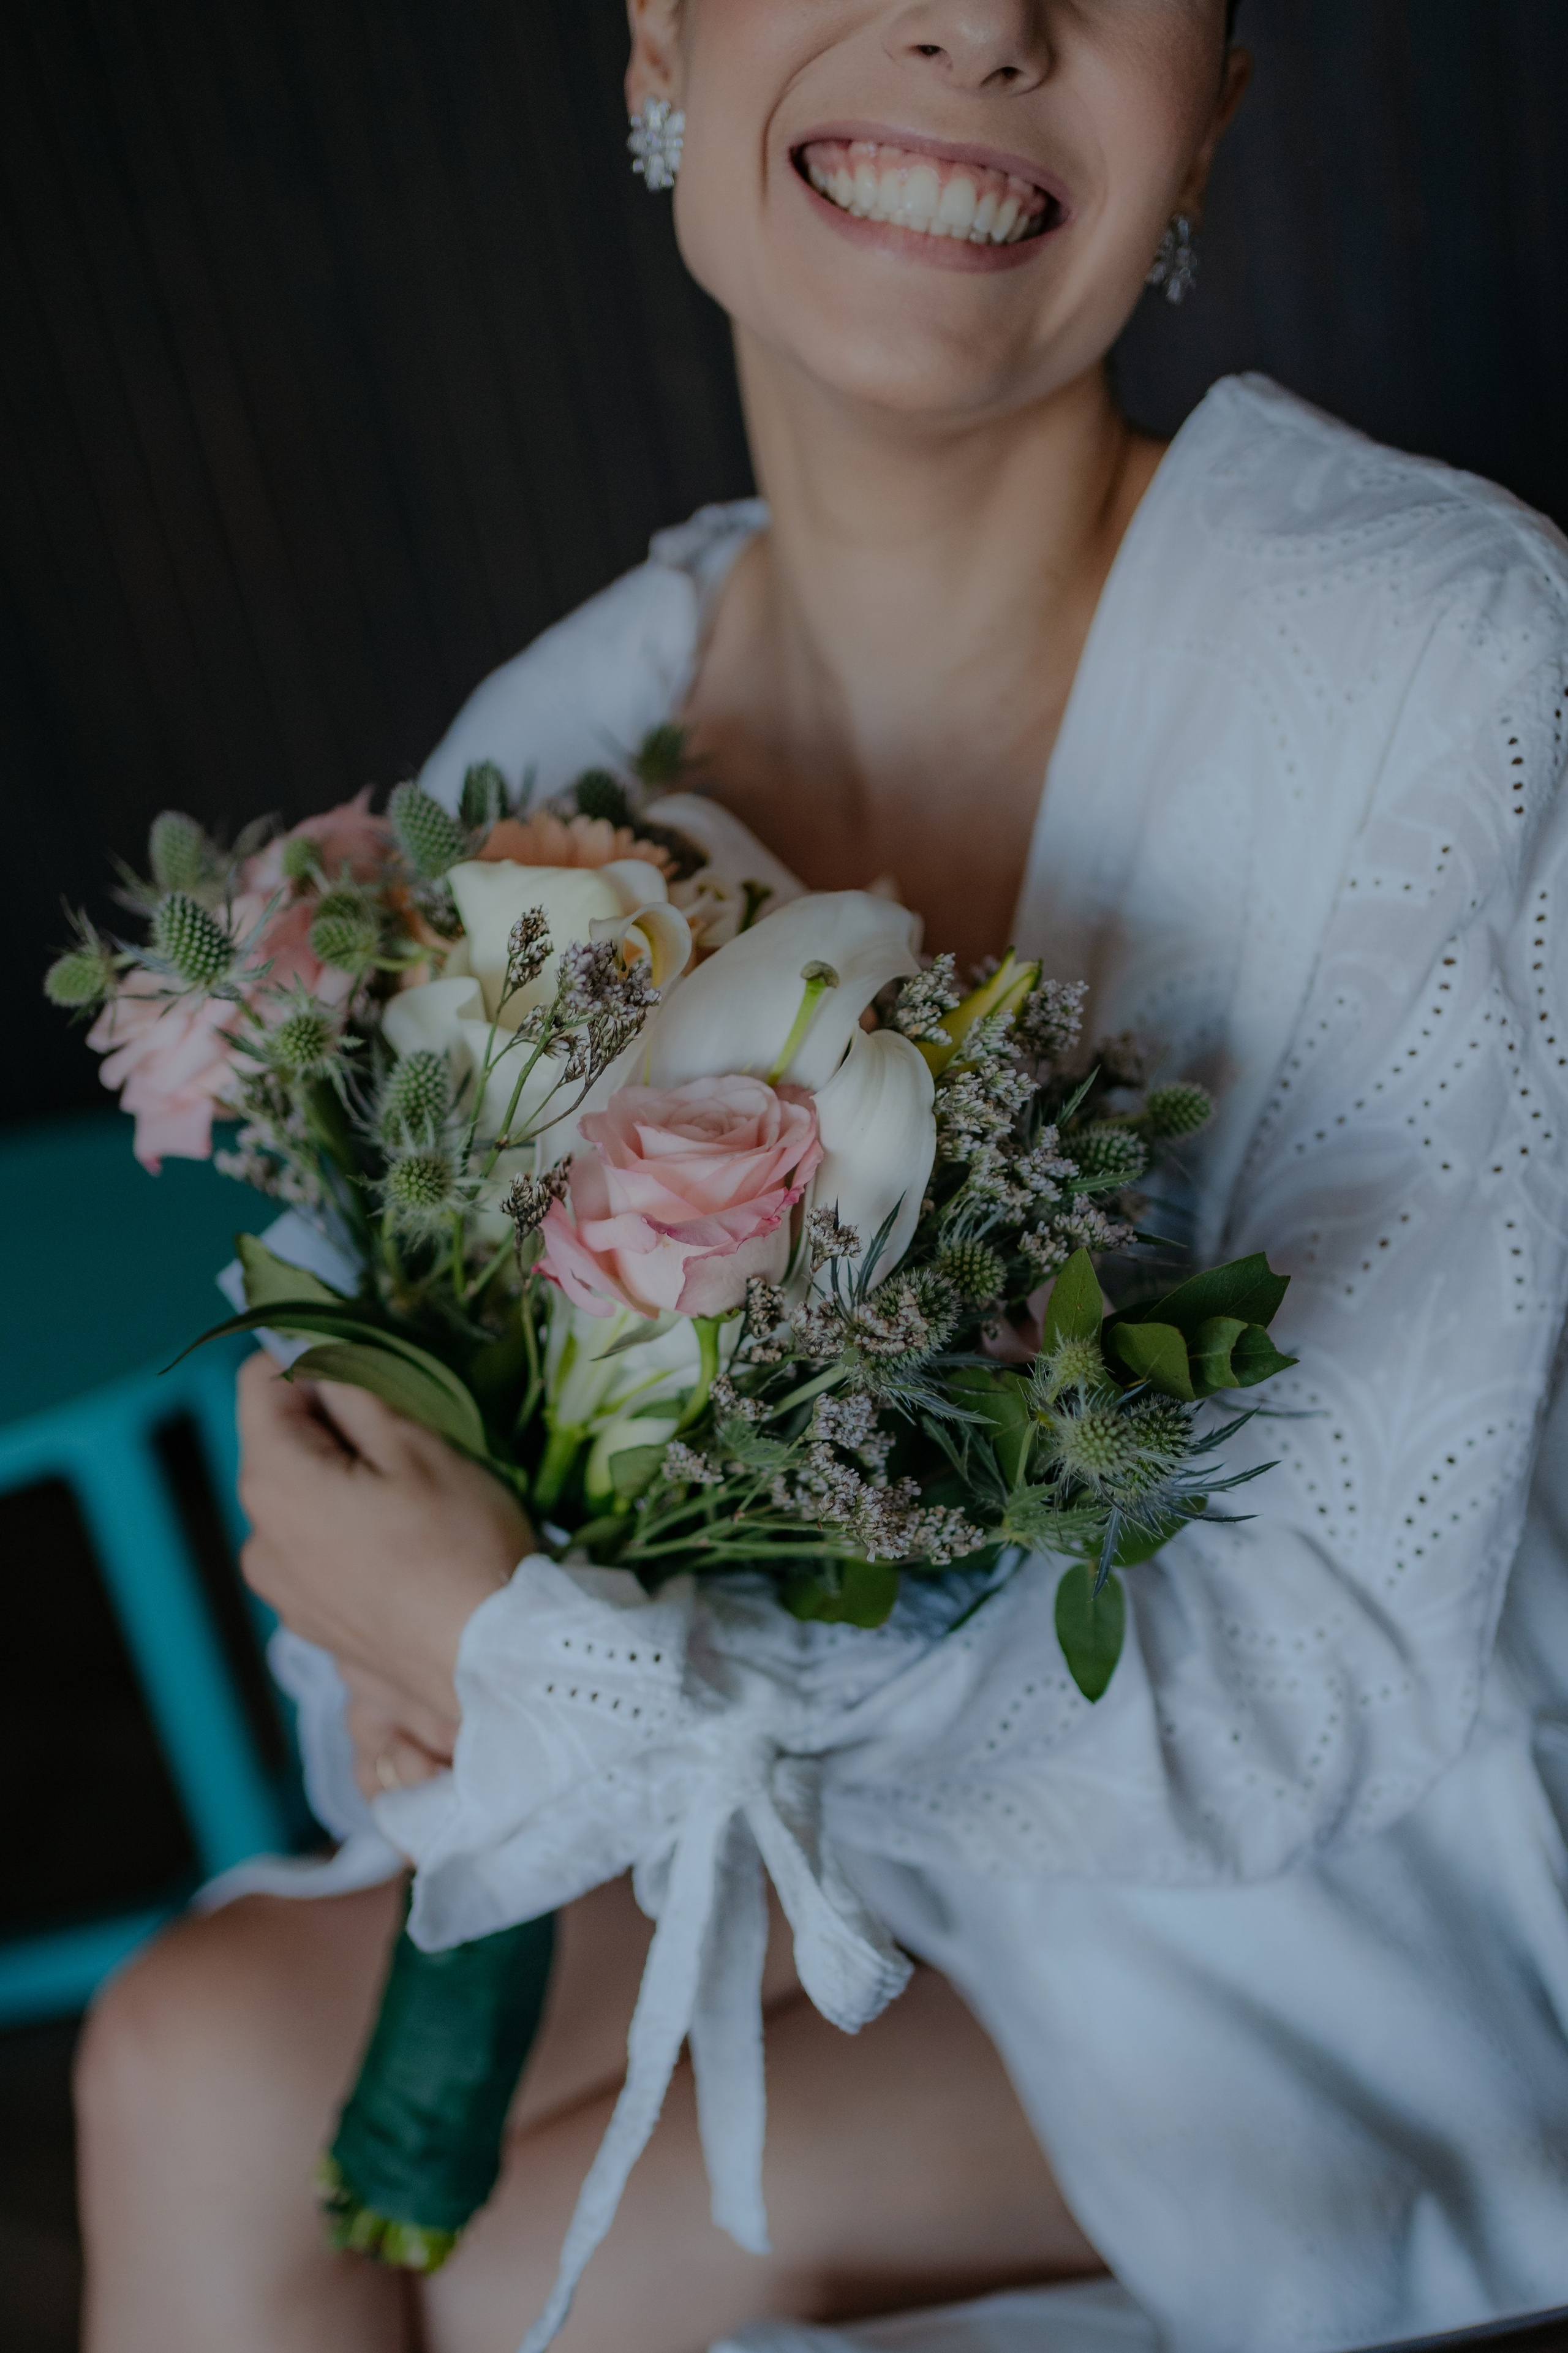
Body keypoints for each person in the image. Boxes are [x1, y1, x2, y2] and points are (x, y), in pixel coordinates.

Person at [75, 3, 1568, 2351]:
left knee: (575, 2274)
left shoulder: (1427, 651)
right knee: (178, 2064)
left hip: (1317, 1904)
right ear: (658, 33)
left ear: (1212, 111)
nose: (981, 17)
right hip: (783, 1827)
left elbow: (1317, 1677)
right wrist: (392, 1602)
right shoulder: (552, 761)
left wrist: (567, 1665)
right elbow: (378, 1504)